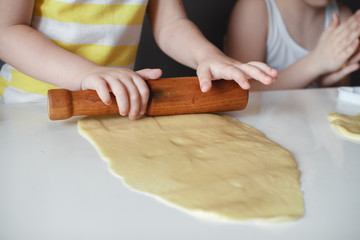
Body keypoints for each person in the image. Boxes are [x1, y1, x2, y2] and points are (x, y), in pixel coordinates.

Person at [0, 0, 278, 119]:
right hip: (31, 111)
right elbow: (7, 31)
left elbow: (170, 24)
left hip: (114, 106)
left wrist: (208, 56)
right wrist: (88, 73)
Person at [226, 0, 360, 90]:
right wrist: (315, 64)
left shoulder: (342, 17)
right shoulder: (255, 7)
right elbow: (240, 91)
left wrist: (325, 83)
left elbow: (339, 101)